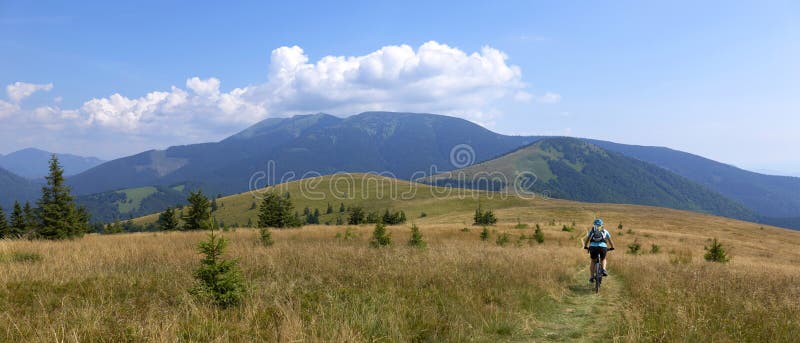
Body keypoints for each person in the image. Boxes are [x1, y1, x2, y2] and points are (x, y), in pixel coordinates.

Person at [582, 218, 615, 283]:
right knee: (603, 259)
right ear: (602, 225)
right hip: (603, 248)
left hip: (593, 247)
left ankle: (591, 277)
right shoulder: (605, 231)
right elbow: (610, 241)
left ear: (594, 224)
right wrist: (612, 247)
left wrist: (585, 246)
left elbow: (587, 240)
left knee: (593, 261)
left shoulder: (592, 231)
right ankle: (604, 270)